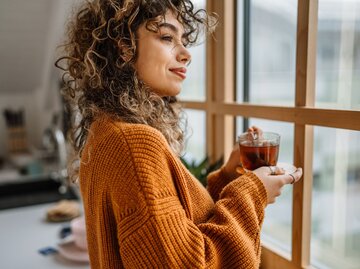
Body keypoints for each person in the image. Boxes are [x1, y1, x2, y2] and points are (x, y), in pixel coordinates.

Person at [57, 0, 303, 268]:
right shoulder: (133, 143)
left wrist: (230, 178)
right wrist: (253, 191)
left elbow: (172, 231)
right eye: (166, 37)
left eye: (183, 40)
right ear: (125, 48)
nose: (186, 53)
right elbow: (189, 263)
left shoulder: (106, 130)